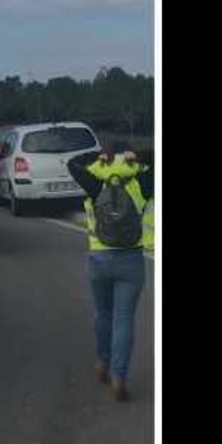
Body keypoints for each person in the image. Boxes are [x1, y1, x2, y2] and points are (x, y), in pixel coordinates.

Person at [67, 141, 154, 402]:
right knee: (124, 319)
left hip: (99, 259)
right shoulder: (143, 181)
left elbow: (72, 163)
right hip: (131, 259)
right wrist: (140, 156)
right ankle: (119, 377)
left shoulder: (95, 181)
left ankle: (102, 362)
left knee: (103, 314)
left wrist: (97, 155)